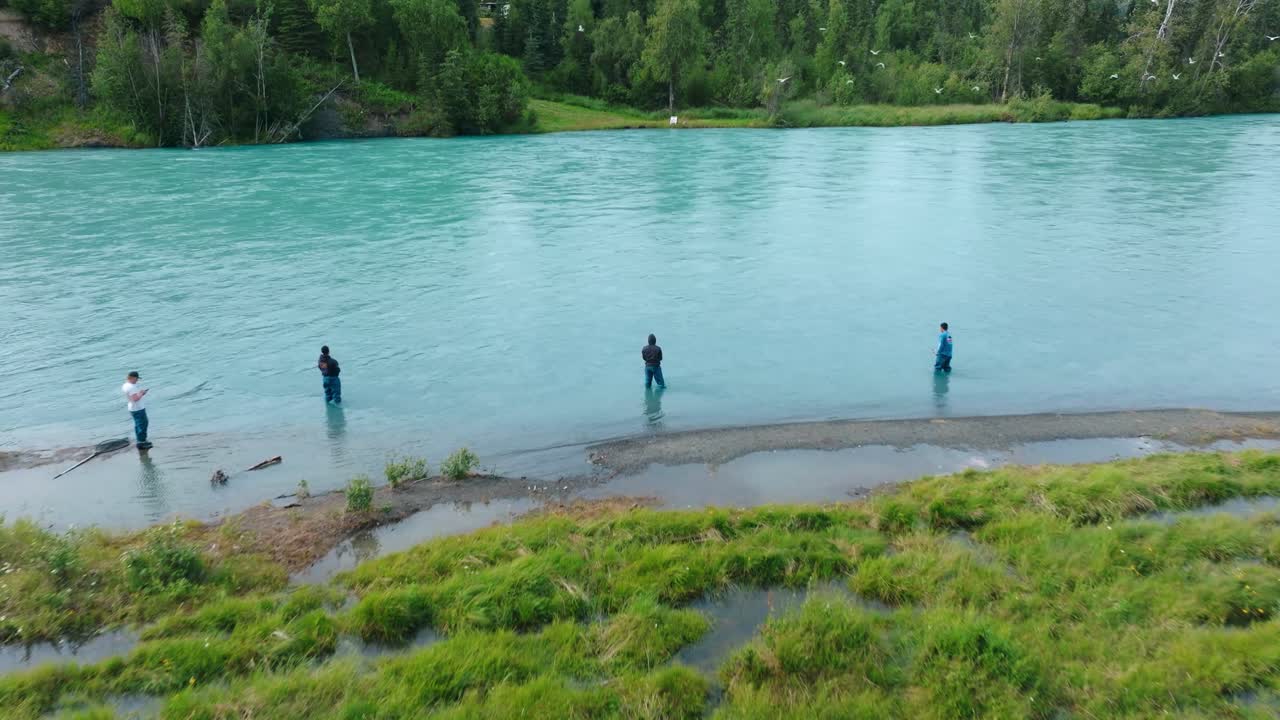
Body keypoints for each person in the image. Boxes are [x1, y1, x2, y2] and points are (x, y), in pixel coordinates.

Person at [121, 371, 152, 449]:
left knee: (138, 425)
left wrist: (139, 393)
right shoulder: (131, 387)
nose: (137, 380)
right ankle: (141, 442)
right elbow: (135, 399)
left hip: (132, 408)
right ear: (131, 378)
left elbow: (132, 397)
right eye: (136, 379)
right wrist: (142, 393)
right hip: (137, 408)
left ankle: (140, 441)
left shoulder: (125, 385)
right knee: (143, 424)